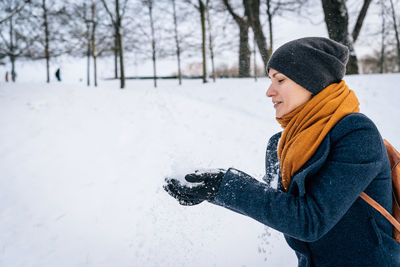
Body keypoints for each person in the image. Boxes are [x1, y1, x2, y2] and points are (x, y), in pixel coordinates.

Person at [164, 37, 400, 266]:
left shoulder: (356, 133)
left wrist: (224, 185)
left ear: (311, 81)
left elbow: (310, 220)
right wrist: (209, 189)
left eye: (280, 80)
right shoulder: (281, 143)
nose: (269, 91)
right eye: (270, 80)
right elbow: (278, 208)